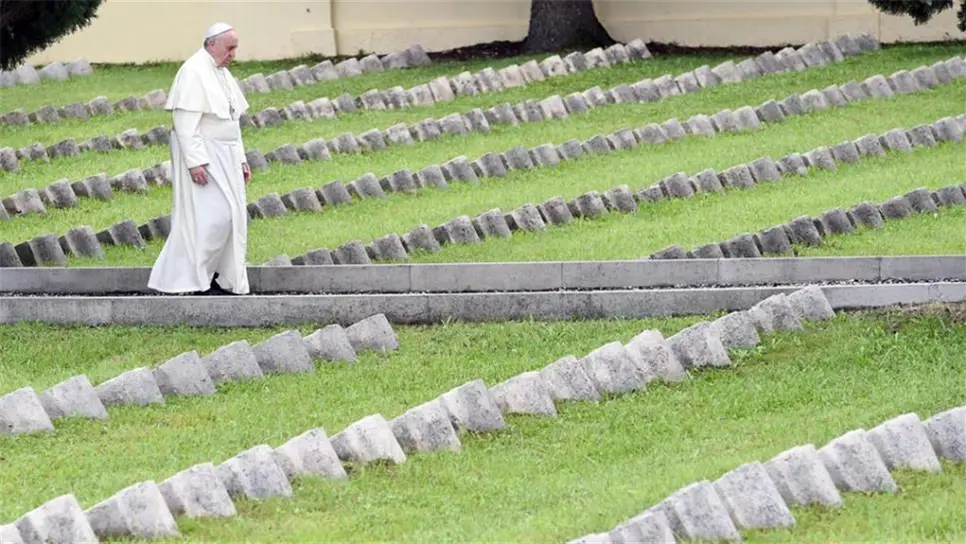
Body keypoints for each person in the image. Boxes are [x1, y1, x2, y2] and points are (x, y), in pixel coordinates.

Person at [147, 22, 252, 296]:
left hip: (226, 156)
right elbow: (184, 123)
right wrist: (195, 162)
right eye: (230, 48)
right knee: (211, 218)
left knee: (233, 217)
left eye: (235, 48)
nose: (233, 54)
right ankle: (191, 279)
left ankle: (216, 275)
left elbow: (232, 121)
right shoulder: (193, 71)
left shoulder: (223, 74)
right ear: (212, 44)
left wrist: (241, 159)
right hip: (206, 157)